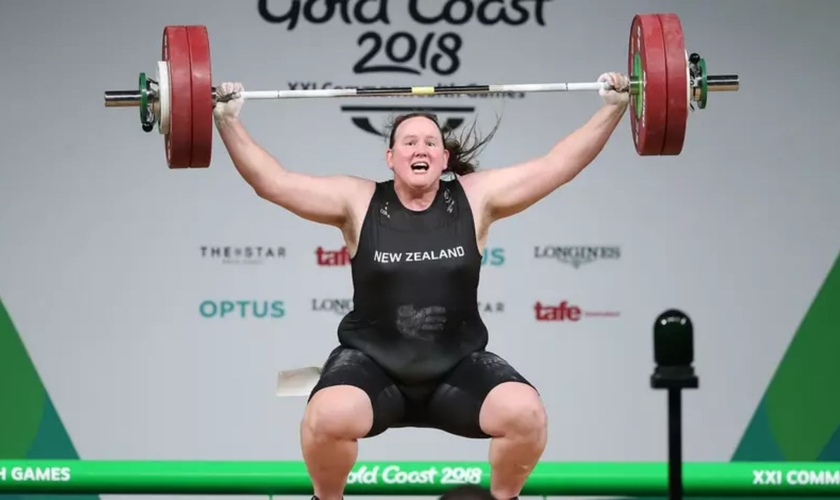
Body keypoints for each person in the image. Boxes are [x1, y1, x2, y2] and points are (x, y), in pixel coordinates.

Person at [212, 72, 630, 500]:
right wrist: (227, 121)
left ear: (444, 159)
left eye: (430, 142)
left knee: (526, 415)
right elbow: (273, 183)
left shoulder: (475, 198)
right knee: (327, 417)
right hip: (372, 366)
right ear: (390, 157)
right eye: (409, 142)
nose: (420, 148)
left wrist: (613, 108)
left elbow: (556, 166)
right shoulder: (355, 201)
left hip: (456, 367)